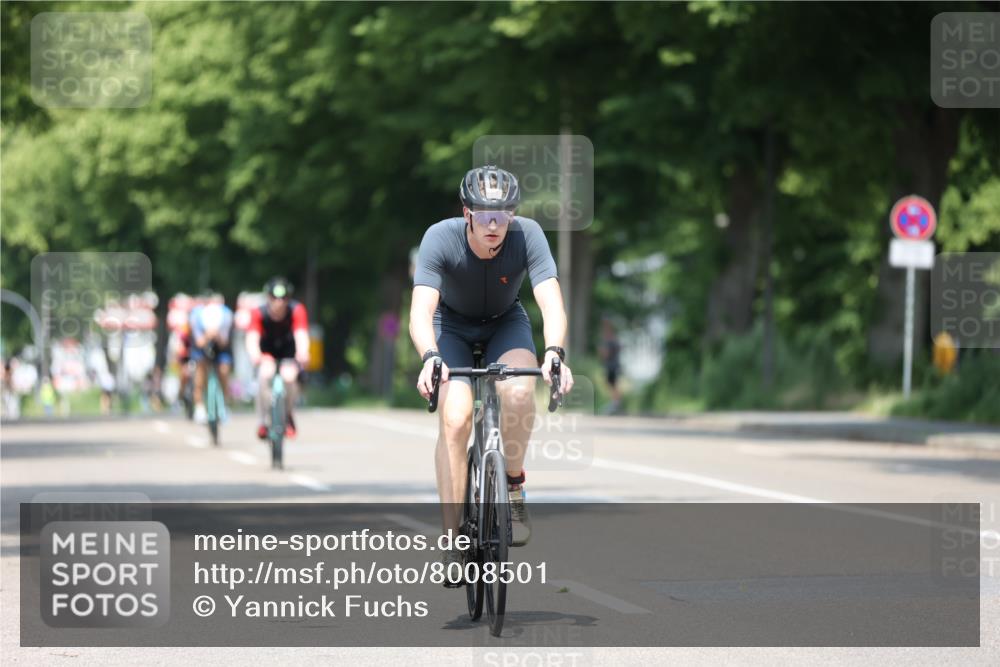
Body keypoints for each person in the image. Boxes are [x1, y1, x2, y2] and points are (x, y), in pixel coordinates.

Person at [410, 165, 574, 584]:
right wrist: (430, 355)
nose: (494, 224)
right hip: (452, 327)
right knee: (456, 416)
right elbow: (421, 311)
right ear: (466, 213)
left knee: (520, 393)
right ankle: (452, 538)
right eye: (484, 214)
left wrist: (555, 352)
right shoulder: (439, 237)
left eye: (503, 213)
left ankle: (514, 484)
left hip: (506, 322)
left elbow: (551, 303)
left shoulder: (529, 236)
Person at [245, 277, 310, 439]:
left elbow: (301, 334)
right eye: (274, 298)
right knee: (264, 376)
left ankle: (287, 414)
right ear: (268, 297)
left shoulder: (297, 310)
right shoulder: (258, 313)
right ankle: (263, 420)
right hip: (266, 352)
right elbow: (252, 337)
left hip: (288, 351)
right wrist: (255, 355)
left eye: (283, 298)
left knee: (290, 378)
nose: (279, 302)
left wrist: (303, 353)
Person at [189, 294, 234, 424]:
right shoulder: (196, 316)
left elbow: (224, 342)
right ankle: (199, 407)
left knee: (224, 371)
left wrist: (217, 335)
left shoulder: (226, 316)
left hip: (220, 347)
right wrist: (208, 335)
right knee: (200, 372)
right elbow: (199, 342)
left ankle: (224, 404)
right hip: (202, 347)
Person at [599, 317, 623, 414]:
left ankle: (615, 403)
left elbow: (606, 353)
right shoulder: (612, 338)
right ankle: (615, 403)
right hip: (612, 365)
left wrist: (602, 351)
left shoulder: (610, 338)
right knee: (611, 384)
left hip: (612, 366)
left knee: (613, 384)